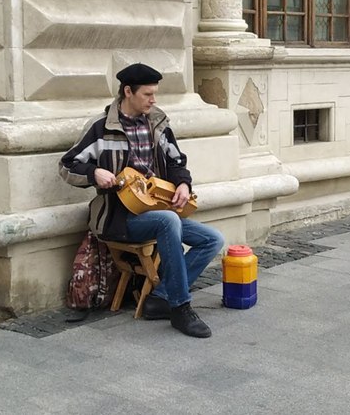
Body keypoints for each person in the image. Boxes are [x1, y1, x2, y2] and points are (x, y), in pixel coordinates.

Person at [59, 63, 225, 338]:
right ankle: (180, 308)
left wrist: (183, 183)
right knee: (169, 220)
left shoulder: (158, 123)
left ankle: (159, 298)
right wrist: (94, 172)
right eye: (147, 94)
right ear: (128, 92)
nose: (153, 99)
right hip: (117, 217)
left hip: (155, 209)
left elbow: (176, 161)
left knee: (213, 239)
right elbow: (67, 166)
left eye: (154, 94)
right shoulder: (102, 128)